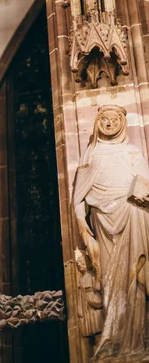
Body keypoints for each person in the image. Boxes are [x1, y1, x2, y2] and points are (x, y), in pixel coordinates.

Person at [74, 105, 149, 359]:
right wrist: (82, 225)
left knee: (134, 276)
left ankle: (138, 341)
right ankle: (114, 339)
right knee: (110, 280)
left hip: (132, 215)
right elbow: (78, 198)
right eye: (103, 119)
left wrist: (141, 191)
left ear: (121, 123)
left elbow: (146, 184)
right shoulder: (91, 154)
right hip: (103, 223)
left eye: (114, 119)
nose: (108, 124)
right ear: (97, 122)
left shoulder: (132, 151)